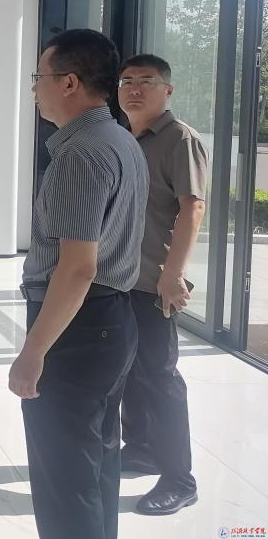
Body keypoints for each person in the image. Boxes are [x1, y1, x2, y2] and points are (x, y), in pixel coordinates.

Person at [10, 29, 149, 539]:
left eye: (39, 77)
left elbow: (77, 268)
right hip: (109, 322)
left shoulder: (81, 153)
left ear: (68, 82)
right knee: (94, 466)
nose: (34, 88)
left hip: (77, 330)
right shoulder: (120, 139)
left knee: (65, 481)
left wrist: (34, 350)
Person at [117, 54, 205, 515]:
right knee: (130, 369)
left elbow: (193, 207)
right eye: (126, 81)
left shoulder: (178, 138)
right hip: (122, 278)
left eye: (145, 81)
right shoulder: (125, 138)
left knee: (160, 376)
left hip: (154, 281)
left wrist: (172, 274)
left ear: (167, 90)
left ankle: (179, 479)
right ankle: (142, 448)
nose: (134, 89)